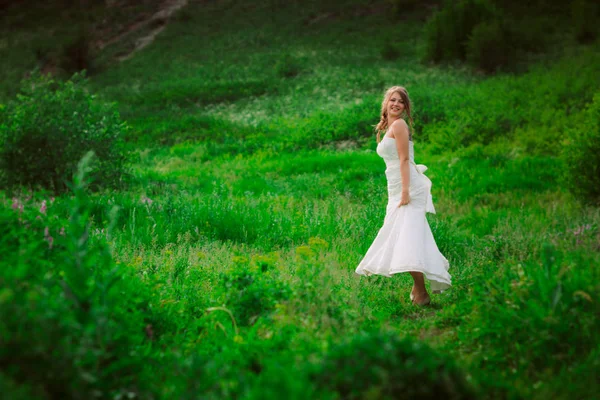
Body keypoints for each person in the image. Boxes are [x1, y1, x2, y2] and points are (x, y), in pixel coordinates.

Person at [355, 86, 451, 306]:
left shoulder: (399, 125)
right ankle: (420, 289)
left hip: (407, 187)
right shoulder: (386, 126)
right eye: (392, 100)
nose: (396, 104)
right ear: (386, 103)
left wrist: (406, 191)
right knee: (405, 237)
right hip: (396, 187)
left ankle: (421, 291)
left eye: (401, 102)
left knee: (407, 238)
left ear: (405, 107)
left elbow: (404, 160)